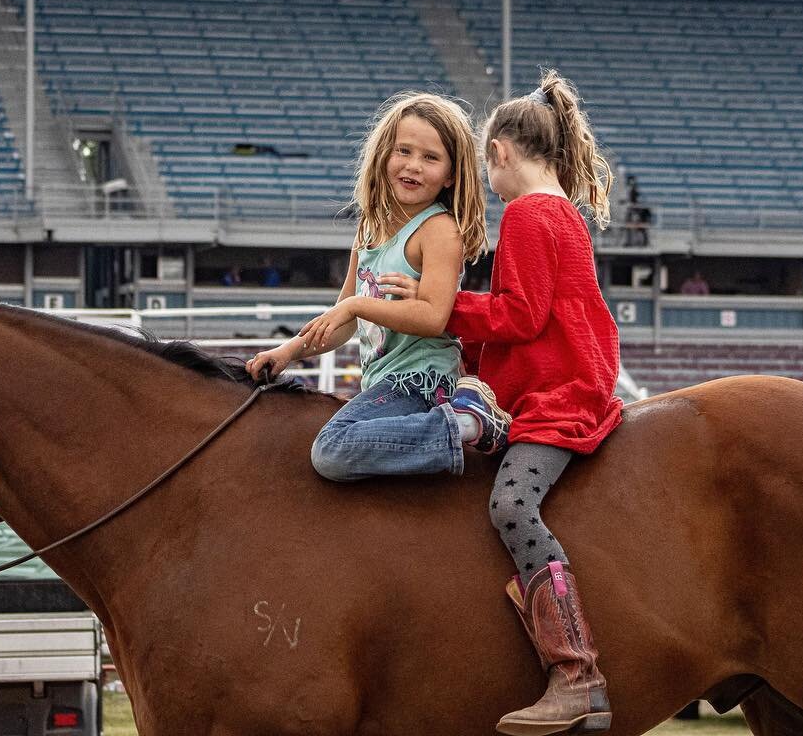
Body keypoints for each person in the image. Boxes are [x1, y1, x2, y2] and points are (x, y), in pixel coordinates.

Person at [380, 70, 622, 734]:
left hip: (560, 396)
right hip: (561, 384)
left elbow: (519, 315)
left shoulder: (528, 212)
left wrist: (440, 309)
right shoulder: (559, 210)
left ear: (502, 154)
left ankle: (577, 674)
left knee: (511, 504)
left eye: (487, 169)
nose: (489, 183)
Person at [245, 91, 505, 480]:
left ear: (451, 174)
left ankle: (465, 425)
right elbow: (341, 323)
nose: (414, 166)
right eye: (404, 151)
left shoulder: (438, 231)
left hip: (423, 381)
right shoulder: (368, 228)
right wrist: (288, 352)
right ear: (384, 154)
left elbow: (433, 316)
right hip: (383, 382)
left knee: (331, 450)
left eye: (431, 158)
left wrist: (355, 306)